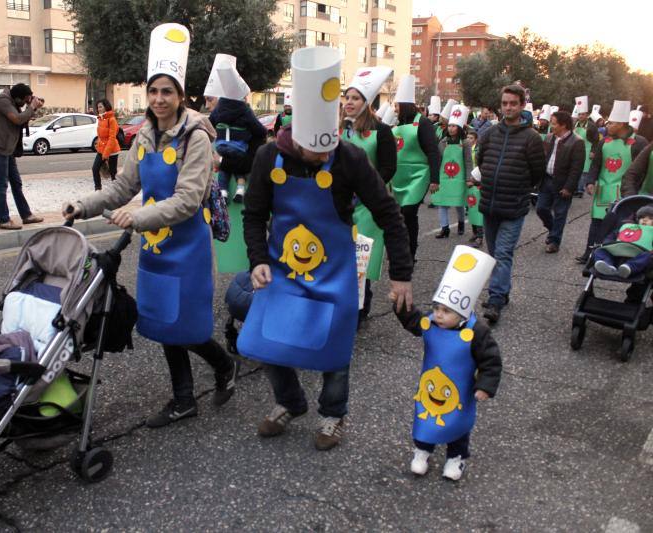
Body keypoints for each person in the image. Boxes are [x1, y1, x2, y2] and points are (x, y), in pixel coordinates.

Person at [239, 47, 413, 451]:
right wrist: (258, 260)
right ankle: (290, 401)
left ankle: (333, 414)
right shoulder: (269, 156)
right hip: (283, 268)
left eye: (327, 149)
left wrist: (401, 274)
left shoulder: (348, 158)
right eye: (314, 151)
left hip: (335, 271)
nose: (322, 157)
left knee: (336, 346)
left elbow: (389, 214)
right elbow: (253, 215)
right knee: (265, 339)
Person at [62, 23, 237, 428]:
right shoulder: (142, 136)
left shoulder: (196, 138)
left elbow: (188, 200)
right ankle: (184, 398)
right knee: (161, 324)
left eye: (167, 91)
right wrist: (83, 205)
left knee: (185, 325)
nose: (159, 99)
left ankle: (222, 365)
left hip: (188, 249)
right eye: (153, 91)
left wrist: (137, 217)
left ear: (181, 96)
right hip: (155, 250)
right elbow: (123, 187)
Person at [395, 246, 501, 481]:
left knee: (457, 425)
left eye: (446, 311)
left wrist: (485, 385)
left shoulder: (477, 332)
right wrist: (400, 304)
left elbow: (491, 360)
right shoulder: (431, 323)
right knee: (424, 417)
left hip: (460, 392)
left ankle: (456, 457)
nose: (438, 315)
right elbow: (412, 321)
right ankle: (422, 449)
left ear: (463, 313)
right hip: (429, 388)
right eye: (436, 308)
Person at [477, 84, 546, 324]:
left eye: (513, 103)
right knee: (494, 253)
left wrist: (519, 188)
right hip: (490, 205)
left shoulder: (532, 138)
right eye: (505, 103)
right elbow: (481, 158)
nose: (508, 107)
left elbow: (537, 172)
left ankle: (495, 299)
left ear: (522, 105)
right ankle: (502, 292)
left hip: (513, 207)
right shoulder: (489, 134)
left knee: (504, 253)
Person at [340, 66, 397, 323]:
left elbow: (388, 167)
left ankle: (360, 308)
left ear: (367, 102)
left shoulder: (382, 131)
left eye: (355, 98)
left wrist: (367, 190)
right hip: (339, 201)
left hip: (367, 205)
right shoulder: (337, 128)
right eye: (347, 97)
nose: (349, 102)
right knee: (338, 254)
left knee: (362, 256)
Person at [580, 101, 649, 264]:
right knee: (596, 223)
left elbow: (641, 170)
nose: (608, 125)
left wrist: (636, 191)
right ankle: (589, 254)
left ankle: (615, 257)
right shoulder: (604, 141)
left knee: (619, 226)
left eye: (613, 123)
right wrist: (590, 181)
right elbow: (596, 164)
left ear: (623, 124)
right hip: (603, 188)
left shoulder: (639, 142)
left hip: (624, 192)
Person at [392, 75, 441, 261]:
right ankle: (400, 250)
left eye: (397, 105)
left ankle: (410, 253)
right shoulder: (398, 125)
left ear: (404, 105)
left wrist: (434, 178)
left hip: (418, 176)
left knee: (409, 213)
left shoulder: (424, 123)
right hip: (399, 176)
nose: (394, 109)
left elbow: (432, 152)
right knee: (399, 216)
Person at [0, 82, 45, 230]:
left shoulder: (12, 101)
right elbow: (17, 119)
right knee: (2, 185)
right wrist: (32, 107)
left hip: (7, 150)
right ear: (17, 98)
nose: (25, 103)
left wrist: (32, 106)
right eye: (24, 100)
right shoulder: (3, 101)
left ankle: (26, 215)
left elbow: (22, 117)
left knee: (16, 183)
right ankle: (4, 220)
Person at [209, 60, 267, 203]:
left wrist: (219, 158)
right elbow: (261, 131)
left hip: (222, 148)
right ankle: (240, 189)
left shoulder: (218, 111)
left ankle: (223, 192)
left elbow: (208, 125)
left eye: (209, 99)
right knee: (239, 171)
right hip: (240, 149)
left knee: (225, 171)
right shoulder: (245, 111)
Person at [535, 111, 585, 253]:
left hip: (562, 184)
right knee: (541, 208)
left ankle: (554, 241)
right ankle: (553, 230)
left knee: (560, 213)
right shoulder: (550, 137)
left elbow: (576, 168)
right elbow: (543, 158)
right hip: (546, 180)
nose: (552, 126)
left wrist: (569, 187)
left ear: (563, 125)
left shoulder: (577, 142)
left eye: (554, 123)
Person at [432, 105, 472, 239]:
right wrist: (435, 178)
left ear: (459, 128)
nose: (451, 128)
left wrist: (468, 178)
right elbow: (438, 161)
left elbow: (468, 161)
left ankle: (461, 223)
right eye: (449, 126)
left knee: (459, 203)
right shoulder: (443, 142)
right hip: (444, 178)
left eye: (454, 126)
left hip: (459, 178)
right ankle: (445, 228)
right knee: (442, 203)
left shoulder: (465, 143)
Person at [593, 205, 653, 278]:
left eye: (650, 218)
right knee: (600, 250)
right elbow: (612, 236)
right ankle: (606, 264)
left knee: (647, 256)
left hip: (638, 253)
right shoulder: (627, 226)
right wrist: (606, 244)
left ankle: (629, 267)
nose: (645, 220)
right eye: (642, 217)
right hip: (618, 250)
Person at [91, 98, 120, 191]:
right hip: (101, 149)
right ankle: (98, 189)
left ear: (106, 107)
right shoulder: (100, 119)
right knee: (95, 169)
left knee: (113, 172)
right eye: (98, 107)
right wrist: (98, 145)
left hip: (112, 150)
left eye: (100, 107)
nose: (99, 109)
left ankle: (117, 191)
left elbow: (112, 138)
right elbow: (101, 136)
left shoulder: (111, 120)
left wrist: (106, 153)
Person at [573, 96, 600, 197]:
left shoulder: (592, 126)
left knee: (584, 171)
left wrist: (593, 151)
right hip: (576, 150)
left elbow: (596, 140)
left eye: (583, 114)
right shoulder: (575, 124)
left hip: (587, 150)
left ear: (587, 115)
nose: (580, 116)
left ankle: (580, 190)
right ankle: (576, 188)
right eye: (579, 114)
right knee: (576, 169)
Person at [465, 130, 484, 247]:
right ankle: (474, 233)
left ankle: (480, 236)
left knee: (478, 211)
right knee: (471, 208)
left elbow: (481, 165)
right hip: (469, 180)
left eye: (471, 138)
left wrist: (475, 180)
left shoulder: (479, 150)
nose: (469, 140)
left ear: (476, 140)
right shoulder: (465, 148)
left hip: (478, 179)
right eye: (467, 137)